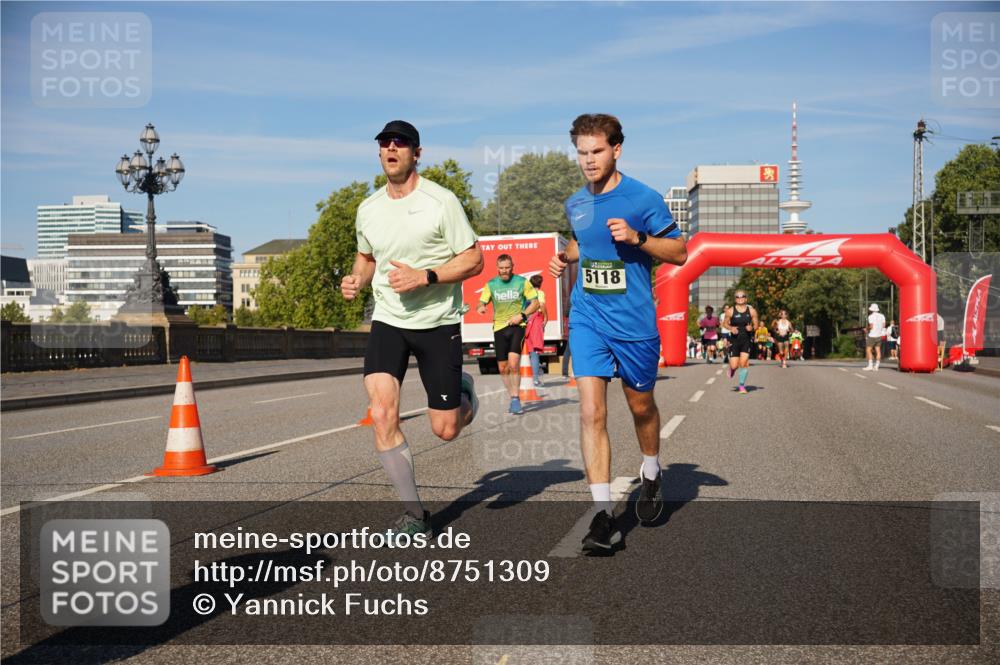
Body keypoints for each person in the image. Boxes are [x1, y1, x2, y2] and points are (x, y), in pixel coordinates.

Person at [549, 114, 686, 554]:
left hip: (634, 324)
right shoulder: (575, 202)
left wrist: (638, 237)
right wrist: (564, 258)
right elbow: (585, 243)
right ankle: (603, 517)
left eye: (597, 152)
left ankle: (650, 471)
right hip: (588, 317)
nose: (588, 161)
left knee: (641, 407)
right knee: (591, 412)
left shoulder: (643, 197)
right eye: (582, 153)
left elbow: (680, 252)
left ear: (616, 150)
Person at [341, 120, 483, 538]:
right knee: (382, 411)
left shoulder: (441, 201)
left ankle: (464, 391)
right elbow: (366, 258)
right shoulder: (368, 208)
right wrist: (356, 280)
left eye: (400, 143)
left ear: (416, 153)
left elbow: (474, 260)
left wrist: (427, 276)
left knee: (446, 429)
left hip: (437, 322)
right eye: (385, 143)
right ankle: (415, 515)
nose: (391, 148)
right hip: (388, 320)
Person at [477, 255, 540, 413]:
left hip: (518, 326)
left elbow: (535, 303)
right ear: (497, 268)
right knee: (503, 367)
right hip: (499, 328)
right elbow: (481, 301)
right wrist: (481, 307)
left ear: (513, 266)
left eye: (507, 267)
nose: (504, 271)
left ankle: (515, 398)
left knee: (513, 363)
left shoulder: (521, 282)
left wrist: (522, 316)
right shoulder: (491, 284)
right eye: (501, 268)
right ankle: (511, 396)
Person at [724, 291, 759, 394]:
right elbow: (724, 324)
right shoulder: (730, 311)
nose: (740, 298)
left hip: (746, 339)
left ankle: (741, 386)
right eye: (737, 297)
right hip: (734, 340)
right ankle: (732, 369)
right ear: (735, 299)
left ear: (746, 298)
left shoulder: (752, 311)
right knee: (735, 365)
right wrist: (731, 328)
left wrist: (751, 327)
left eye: (742, 296)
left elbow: (756, 325)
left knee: (743, 363)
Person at [525, 274, 547, 386]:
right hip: (536, 321)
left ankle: (524, 377)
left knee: (525, 351)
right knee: (534, 352)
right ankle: (535, 379)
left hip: (525, 321)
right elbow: (542, 306)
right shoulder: (540, 293)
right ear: (540, 283)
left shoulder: (526, 294)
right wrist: (546, 318)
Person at [864, 303, 886, 371]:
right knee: (878, 350)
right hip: (879, 335)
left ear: (871, 310)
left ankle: (870, 365)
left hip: (872, 335)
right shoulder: (882, 316)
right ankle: (876, 366)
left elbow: (871, 326)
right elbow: (884, 325)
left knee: (868, 350)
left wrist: (866, 329)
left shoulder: (870, 316)